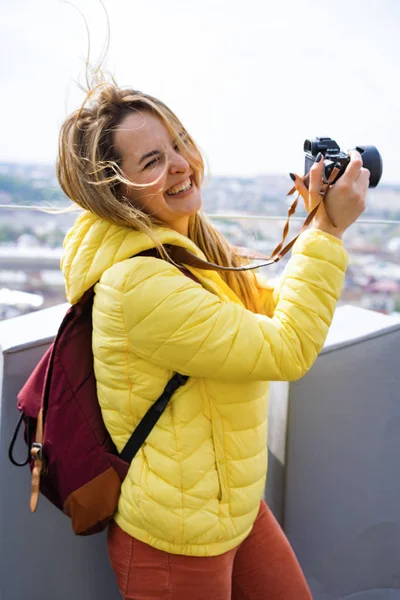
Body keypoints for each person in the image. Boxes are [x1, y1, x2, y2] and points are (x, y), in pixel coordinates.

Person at [57, 79, 369, 599]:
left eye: (178, 142)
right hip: (174, 538)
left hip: (231, 506)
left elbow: (264, 311)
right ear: (117, 192)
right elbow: (286, 347)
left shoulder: (181, 246)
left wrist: (316, 218)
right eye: (152, 161)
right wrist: (328, 235)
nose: (180, 163)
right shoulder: (139, 283)